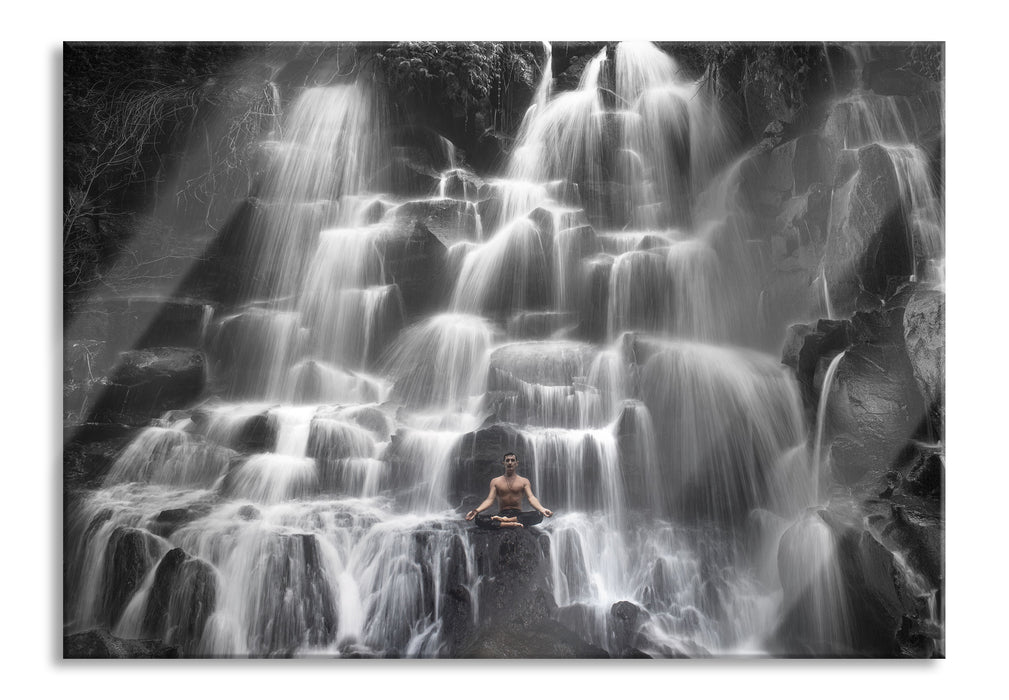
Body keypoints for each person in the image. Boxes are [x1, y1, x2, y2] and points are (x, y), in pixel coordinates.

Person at [465, 452, 553, 528]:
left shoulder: (524, 481)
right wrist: (475, 511)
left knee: (538, 515)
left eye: (512, 460)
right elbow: (489, 500)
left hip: (517, 514)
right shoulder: (495, 481)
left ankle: (506, 522)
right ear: (503, 463)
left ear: (516, 463)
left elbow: (531, 498)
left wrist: (542, 509)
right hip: (502, 513)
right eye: (507, 460)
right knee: (478, 519)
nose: (510, 462)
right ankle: (510, 524)